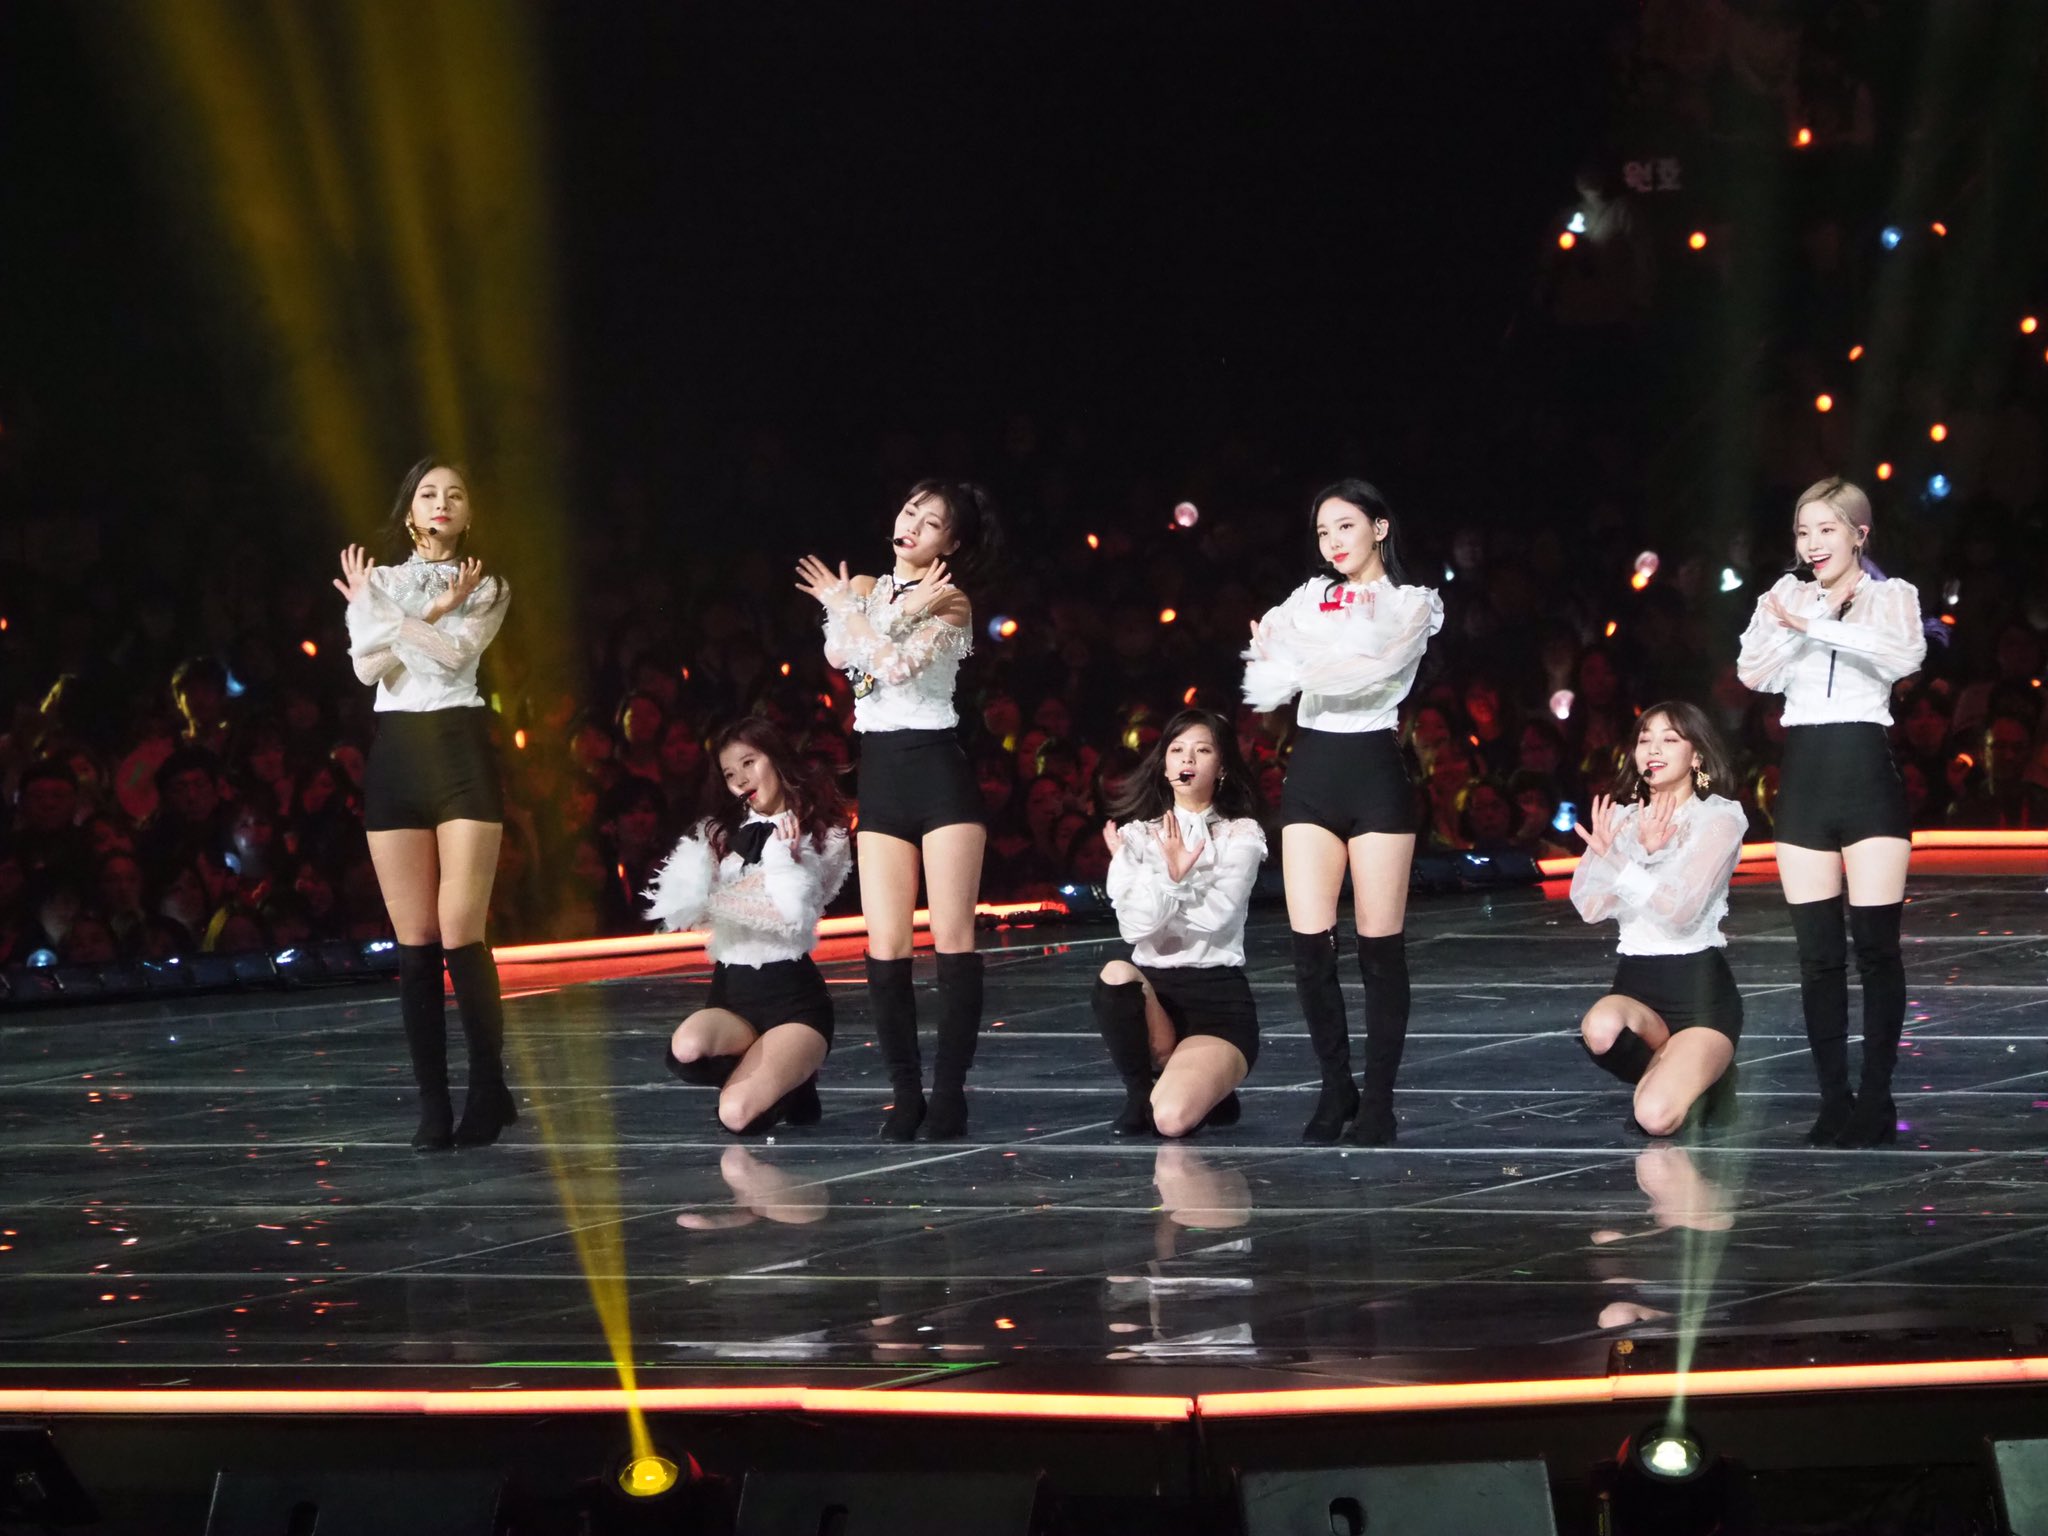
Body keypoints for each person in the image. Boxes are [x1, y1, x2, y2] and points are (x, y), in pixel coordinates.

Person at [794, 481, 1003, 1141]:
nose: (913, 523)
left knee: (952, 938)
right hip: (880, 773)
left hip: (938, 772)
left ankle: (949, 1096)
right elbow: (842, 660)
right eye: (911, 510)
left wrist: (854, 613)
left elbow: (894, 668)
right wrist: (855, 608)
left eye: (932, 521)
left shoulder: (952, 599)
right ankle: (906, 1095)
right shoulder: (863, 589)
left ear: (951, 543)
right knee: (885, 946)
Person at [1242, 479, 1443, 1145]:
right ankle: (1336, 1089)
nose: (1332, 541)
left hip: (1374, 770)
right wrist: (1298, 662)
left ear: (1380, 528)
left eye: (1345, 526)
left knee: (1379, 949)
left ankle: (1379, 1099)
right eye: (1323, 531)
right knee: (1310, 947)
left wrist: (1301, 663)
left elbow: (1374, 672)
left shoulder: (1413, 603)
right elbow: (1265, 668)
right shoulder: (1308, 596)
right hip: (1313, 769)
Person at [1737, 477, 1925, 1147]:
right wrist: (1800, 626)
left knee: (1876, 949)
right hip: (1806, 780)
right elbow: (1752, 671)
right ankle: (1833, 1101)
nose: (1813, 543)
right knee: (1817, 956)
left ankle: (1876, 1098)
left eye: (1826, 529)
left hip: (1866, 775)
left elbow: (1906, 655)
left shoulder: (1891, 597)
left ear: (1858, 535)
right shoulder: (1782, 597)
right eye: (1803, 531)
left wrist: (1821, 626)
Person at [336, 456, 515, 1151]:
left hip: (458, 747)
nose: (442, 502)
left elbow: (450, 657)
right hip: (398, 754)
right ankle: (433, 1105)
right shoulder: (378, 581)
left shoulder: (488, 584)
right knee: (414, 939)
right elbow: (365, 668)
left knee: (459, 929)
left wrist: (403, 624)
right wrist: (428, 611)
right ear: (410, 509)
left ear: (469, 513)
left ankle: (486, 1090)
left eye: (456, 494)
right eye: (429, 493)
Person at [646, 717, 852, 1134]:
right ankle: (780, 1077)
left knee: (735, 1115)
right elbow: (683, 911)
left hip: (793, 1001)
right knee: (686, 1049)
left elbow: (790, 914)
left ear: (775, 759)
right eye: (729, 773)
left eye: (748, 763)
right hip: (730, 996)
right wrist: (728, 896)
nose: (740, 780)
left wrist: (780, 859)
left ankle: (793, 1078)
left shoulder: (823, 834)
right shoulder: (719, 834)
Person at [1571, 702, 1748, 1138]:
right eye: (1645, 739)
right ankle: (1684, 1076)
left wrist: (1629, 863)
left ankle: (1705, 1075)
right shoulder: (1621, 820)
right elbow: (1590, 907)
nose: (1653, 748)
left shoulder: (1719, 820)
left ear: (1697, 755)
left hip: (1699, 995)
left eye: (1670, 739)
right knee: (1600, 1029)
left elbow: (1680, 913)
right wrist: (1635, 852)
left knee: (1655, 1118)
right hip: (1637, 988)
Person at [1093, 707, 1267, 1138]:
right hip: (1155, 997)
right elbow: (1135, 928)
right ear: (1164, 763)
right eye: (1177, 749)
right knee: (1115, 973)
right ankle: (1139, 1094)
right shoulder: (1138, 835)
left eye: (1202, 750)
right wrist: (1173, 880)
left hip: (1216, 1002)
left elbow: (1217, 917)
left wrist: (1172, 881)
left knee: (1171, 1121)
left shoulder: (1239, 835)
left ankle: (1209, 1085)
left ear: (1221, 767)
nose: (1188, 759)